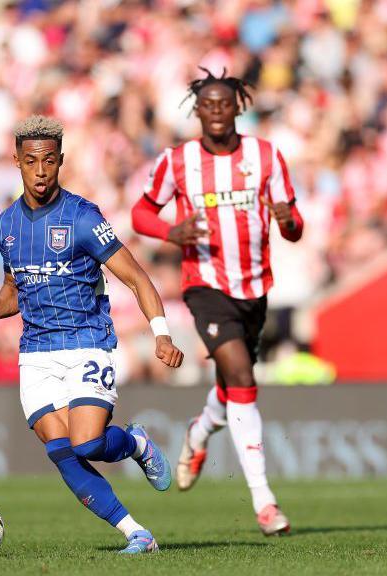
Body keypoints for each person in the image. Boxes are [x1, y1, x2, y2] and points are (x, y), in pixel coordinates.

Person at [0, 115, 184, 554]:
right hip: (36, 354)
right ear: (17, 162)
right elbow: (15, 290)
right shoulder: (7, 225)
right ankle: (136, 533)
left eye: (49, 161)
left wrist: (161, 333)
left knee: (89, 441)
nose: (41, 171)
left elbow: (138, 278)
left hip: (88, 341)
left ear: (61, 160)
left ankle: (136, 443)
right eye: (31, 162)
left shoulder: (83, 218)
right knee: (62, 450)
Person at [130, 68, 303, 536]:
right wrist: (170, 231)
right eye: (208, 105)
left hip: (255, 286)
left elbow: (294, 226)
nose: (217, 112)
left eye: (225, 103)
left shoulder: (266, 157)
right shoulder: (179, 161)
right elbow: (141, 211)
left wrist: (287, 220)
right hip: (205, 285)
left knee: (232, 386)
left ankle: (200, 430)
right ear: (198, 110)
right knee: (243, 377)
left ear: (237, 107)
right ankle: (265, 503)